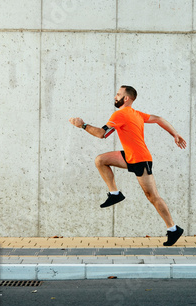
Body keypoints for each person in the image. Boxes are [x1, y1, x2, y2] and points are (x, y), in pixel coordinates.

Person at [69, 85, 186, 246]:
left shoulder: (121, 114)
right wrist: (175, 133)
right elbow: (159, 119)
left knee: (152, 196)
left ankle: (173, 229)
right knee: (100, 160)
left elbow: (101, 134)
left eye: (118, 94)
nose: (115, 97)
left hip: (139, 159)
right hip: (129, 155)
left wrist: (82, 125)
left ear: (126, 98)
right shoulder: (135, 114)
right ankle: (115, 193)